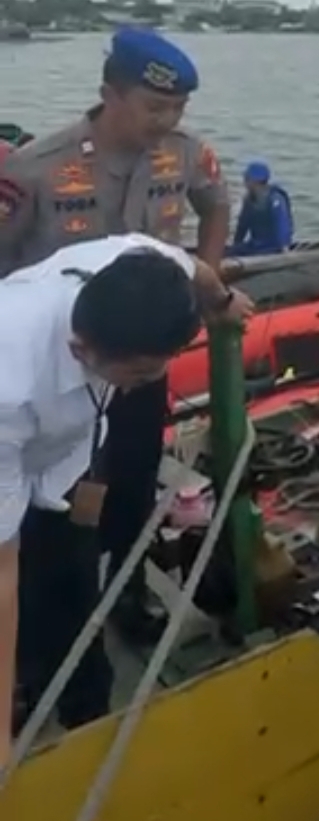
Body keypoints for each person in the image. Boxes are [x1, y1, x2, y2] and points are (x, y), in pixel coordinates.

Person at [0, 26, 237, 646]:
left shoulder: (185, 155)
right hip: (65, 368)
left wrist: (202, 292)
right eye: (155, 106)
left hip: (136, 363)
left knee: (130, 481)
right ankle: (48, 612)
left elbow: (216, 204)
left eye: (178, 108)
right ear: (110, 93)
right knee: (56, 499)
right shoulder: (36, 169)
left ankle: (124, 589)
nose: (168, 120)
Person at [0, 233, 251, 764]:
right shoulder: (9, 383)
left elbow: (189, 267)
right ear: (80, 350)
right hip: (17, 455)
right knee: (31, 582)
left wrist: (222, 306)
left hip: (68, 455)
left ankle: (82, 700)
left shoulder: (133, 265)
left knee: (73, 572)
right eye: (140, 373)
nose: (153, 382)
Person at [227, 160, 294, 257]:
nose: (244, 180)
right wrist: (236, 244)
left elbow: (281, 224)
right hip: (256, 245)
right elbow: (242, 225)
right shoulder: (249, 199)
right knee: (228, 252)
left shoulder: (275, 199)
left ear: (255, 181)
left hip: (273, 247)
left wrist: (284, 249)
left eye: (247, 178)